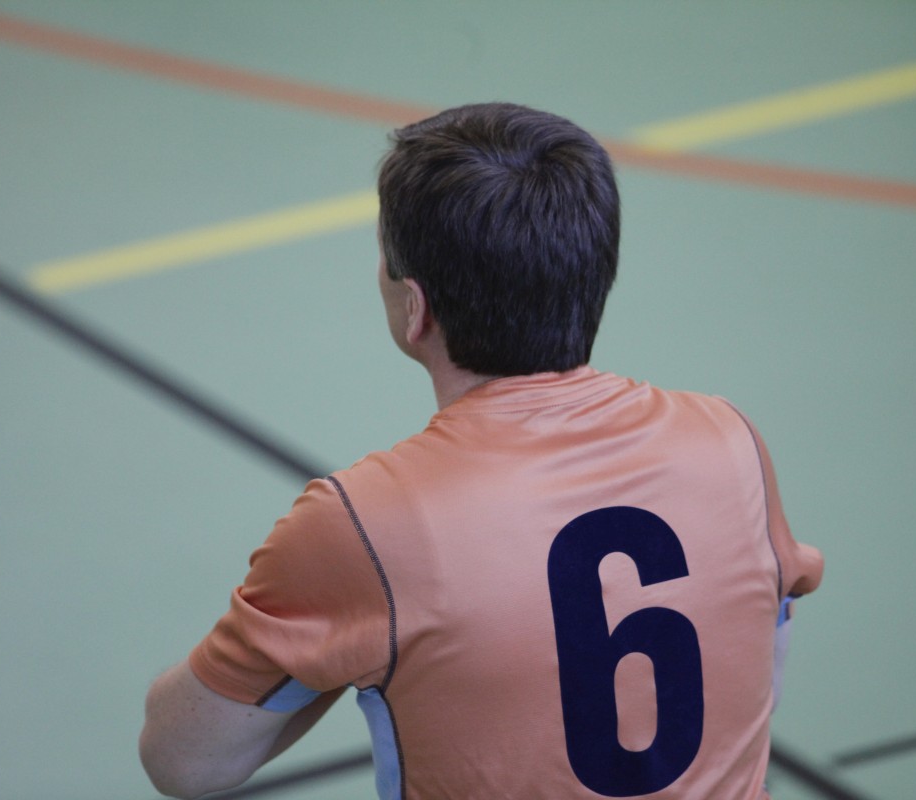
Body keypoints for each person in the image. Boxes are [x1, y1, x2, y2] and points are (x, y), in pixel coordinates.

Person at [139, 102, 824, 800]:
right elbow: (759, 673)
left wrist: (335, 639)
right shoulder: (728, 440)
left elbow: (185, 763)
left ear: (416, 308)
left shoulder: (363, 525)